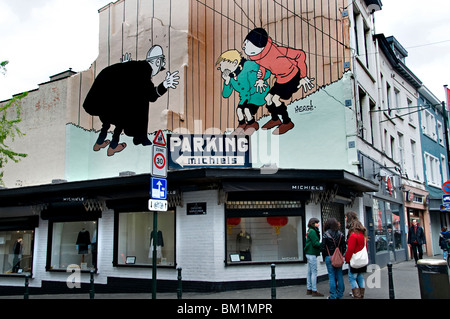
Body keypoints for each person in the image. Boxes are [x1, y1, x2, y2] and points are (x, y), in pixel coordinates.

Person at [83, 45, 179, 156]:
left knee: (129, 100)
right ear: (157, 62)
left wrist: (124, 67)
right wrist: (165, 84)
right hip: (104, 102)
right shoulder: (144, 70)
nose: (162, 66)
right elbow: (151, 96)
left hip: (95, 102)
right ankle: (115, 146)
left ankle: (99, 143)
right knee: (137, 102)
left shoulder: (134, 67)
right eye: (162, 63)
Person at [243, 28, 315, 135]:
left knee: (276, 99)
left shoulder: (276, 50)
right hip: (280, 79)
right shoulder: (258, 56)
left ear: (260, 47)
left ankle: (287, 122)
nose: (245, 46)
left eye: (249, 44)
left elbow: (300, 54)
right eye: (246, 43)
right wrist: (261, 78)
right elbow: (263, 65)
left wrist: (303, 76)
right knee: (268, 98)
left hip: (292, 76)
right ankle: (275, 119)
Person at [216, 49, 271, 135]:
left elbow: (266, 70)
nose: (221, 66)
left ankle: (252, 124)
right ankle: (242, 125)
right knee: (239, 110)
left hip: (257, 93)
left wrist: (262, 77)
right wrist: (226, 81)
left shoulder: (248, 65)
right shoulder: (231, 77)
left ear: (234, 63)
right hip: (245, 97)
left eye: (223, 63)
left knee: (246, 109)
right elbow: (226, 94)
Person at [344, 211, 368, 299]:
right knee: (360, 276)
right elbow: (366, 247)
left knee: (352, 278)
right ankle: (361, 295)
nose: (345, 219)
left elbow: (350, 249)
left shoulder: (353, 235)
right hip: (362, 259)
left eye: (346, 217)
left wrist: (347, 259)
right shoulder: (363, 234)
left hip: (355, 260)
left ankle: (357, 296)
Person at [321, 218, 346, 299]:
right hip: (338, 257)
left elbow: (323, 247)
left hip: (329, 257)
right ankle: (340, 294)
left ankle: (333, 295)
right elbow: (344, 247)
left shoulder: (326, 234)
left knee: (331, 276)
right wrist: (340, 255)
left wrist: (324, 257)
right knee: (339, 275)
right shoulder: (341, 234)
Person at [304, 217, 324, 297]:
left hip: (309, 253)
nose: (318, 224)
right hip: (312, 253)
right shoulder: (313, 232)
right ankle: (314, 290)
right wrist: (323, 244)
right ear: (313, 223)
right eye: (317, 223)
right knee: (314, 272)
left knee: (309, 272)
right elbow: (315, 243)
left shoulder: (309, 231)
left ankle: (309, 289)